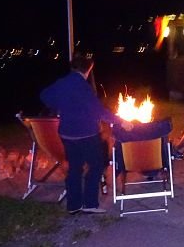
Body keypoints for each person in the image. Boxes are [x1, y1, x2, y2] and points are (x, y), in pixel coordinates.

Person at [41, 53, 133, 214]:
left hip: (67, 134)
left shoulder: (62, 82)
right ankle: (90, 203)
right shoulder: (83, 87)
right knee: (97, 165)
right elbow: (99, 111)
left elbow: (44, 96)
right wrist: (121, 121)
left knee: (74, 168)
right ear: (88, 69)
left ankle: (74, 205)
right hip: (86, 134)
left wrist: (60, 107)